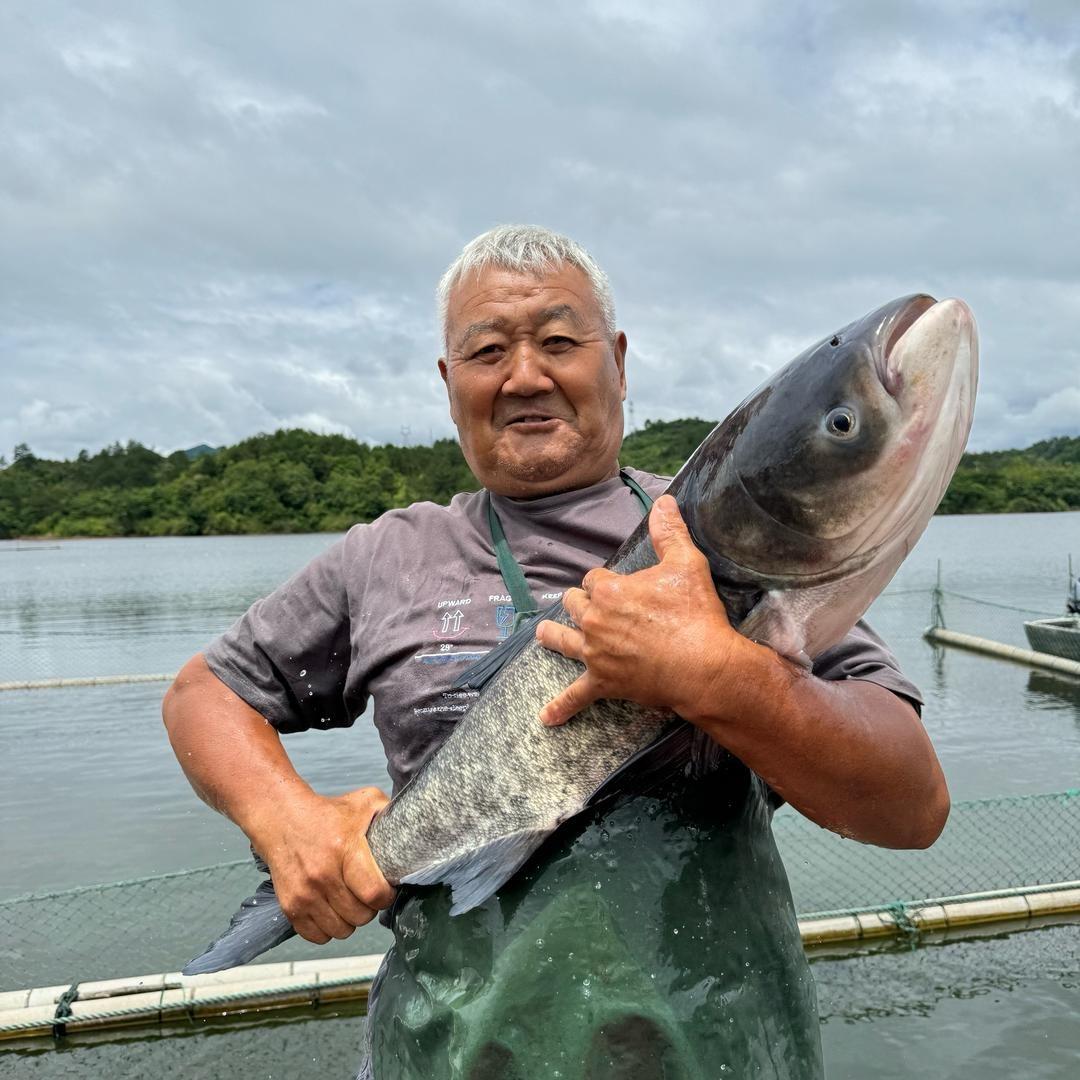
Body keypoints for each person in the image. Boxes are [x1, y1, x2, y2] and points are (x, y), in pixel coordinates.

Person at [163, 225, 949, 1079]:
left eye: (560, 341)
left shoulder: (718, 533)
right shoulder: (386, 556)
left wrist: (722, 677)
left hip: (720, 1054)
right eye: (488, 350)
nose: (525, 375)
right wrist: (286, 820)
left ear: (617, 360)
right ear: (448, 381)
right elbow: (206, 691)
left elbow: (910, 810)